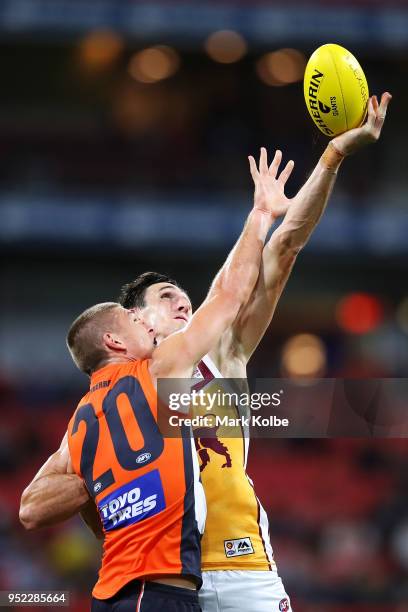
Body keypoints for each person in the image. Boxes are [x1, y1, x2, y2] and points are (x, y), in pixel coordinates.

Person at [19, 92, 391, 612]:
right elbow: (36, 502)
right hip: (162, 573)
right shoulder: (113, 402)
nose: (183, 303)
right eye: (165, 298)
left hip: (244, 570)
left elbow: (283, 247)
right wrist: (113, 481)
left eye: (186, 297)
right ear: (134, 323)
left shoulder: (219, 354)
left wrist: (332, 158)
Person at [20, 159, 279, 612]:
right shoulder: (157, 369)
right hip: (160, 588)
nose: (142, 321)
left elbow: (30, 509)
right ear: (115, 340)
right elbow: (230, 295)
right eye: (133, 317)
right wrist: (259, 216)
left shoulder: (84, 419)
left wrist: (102, 481)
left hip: (112, 589)